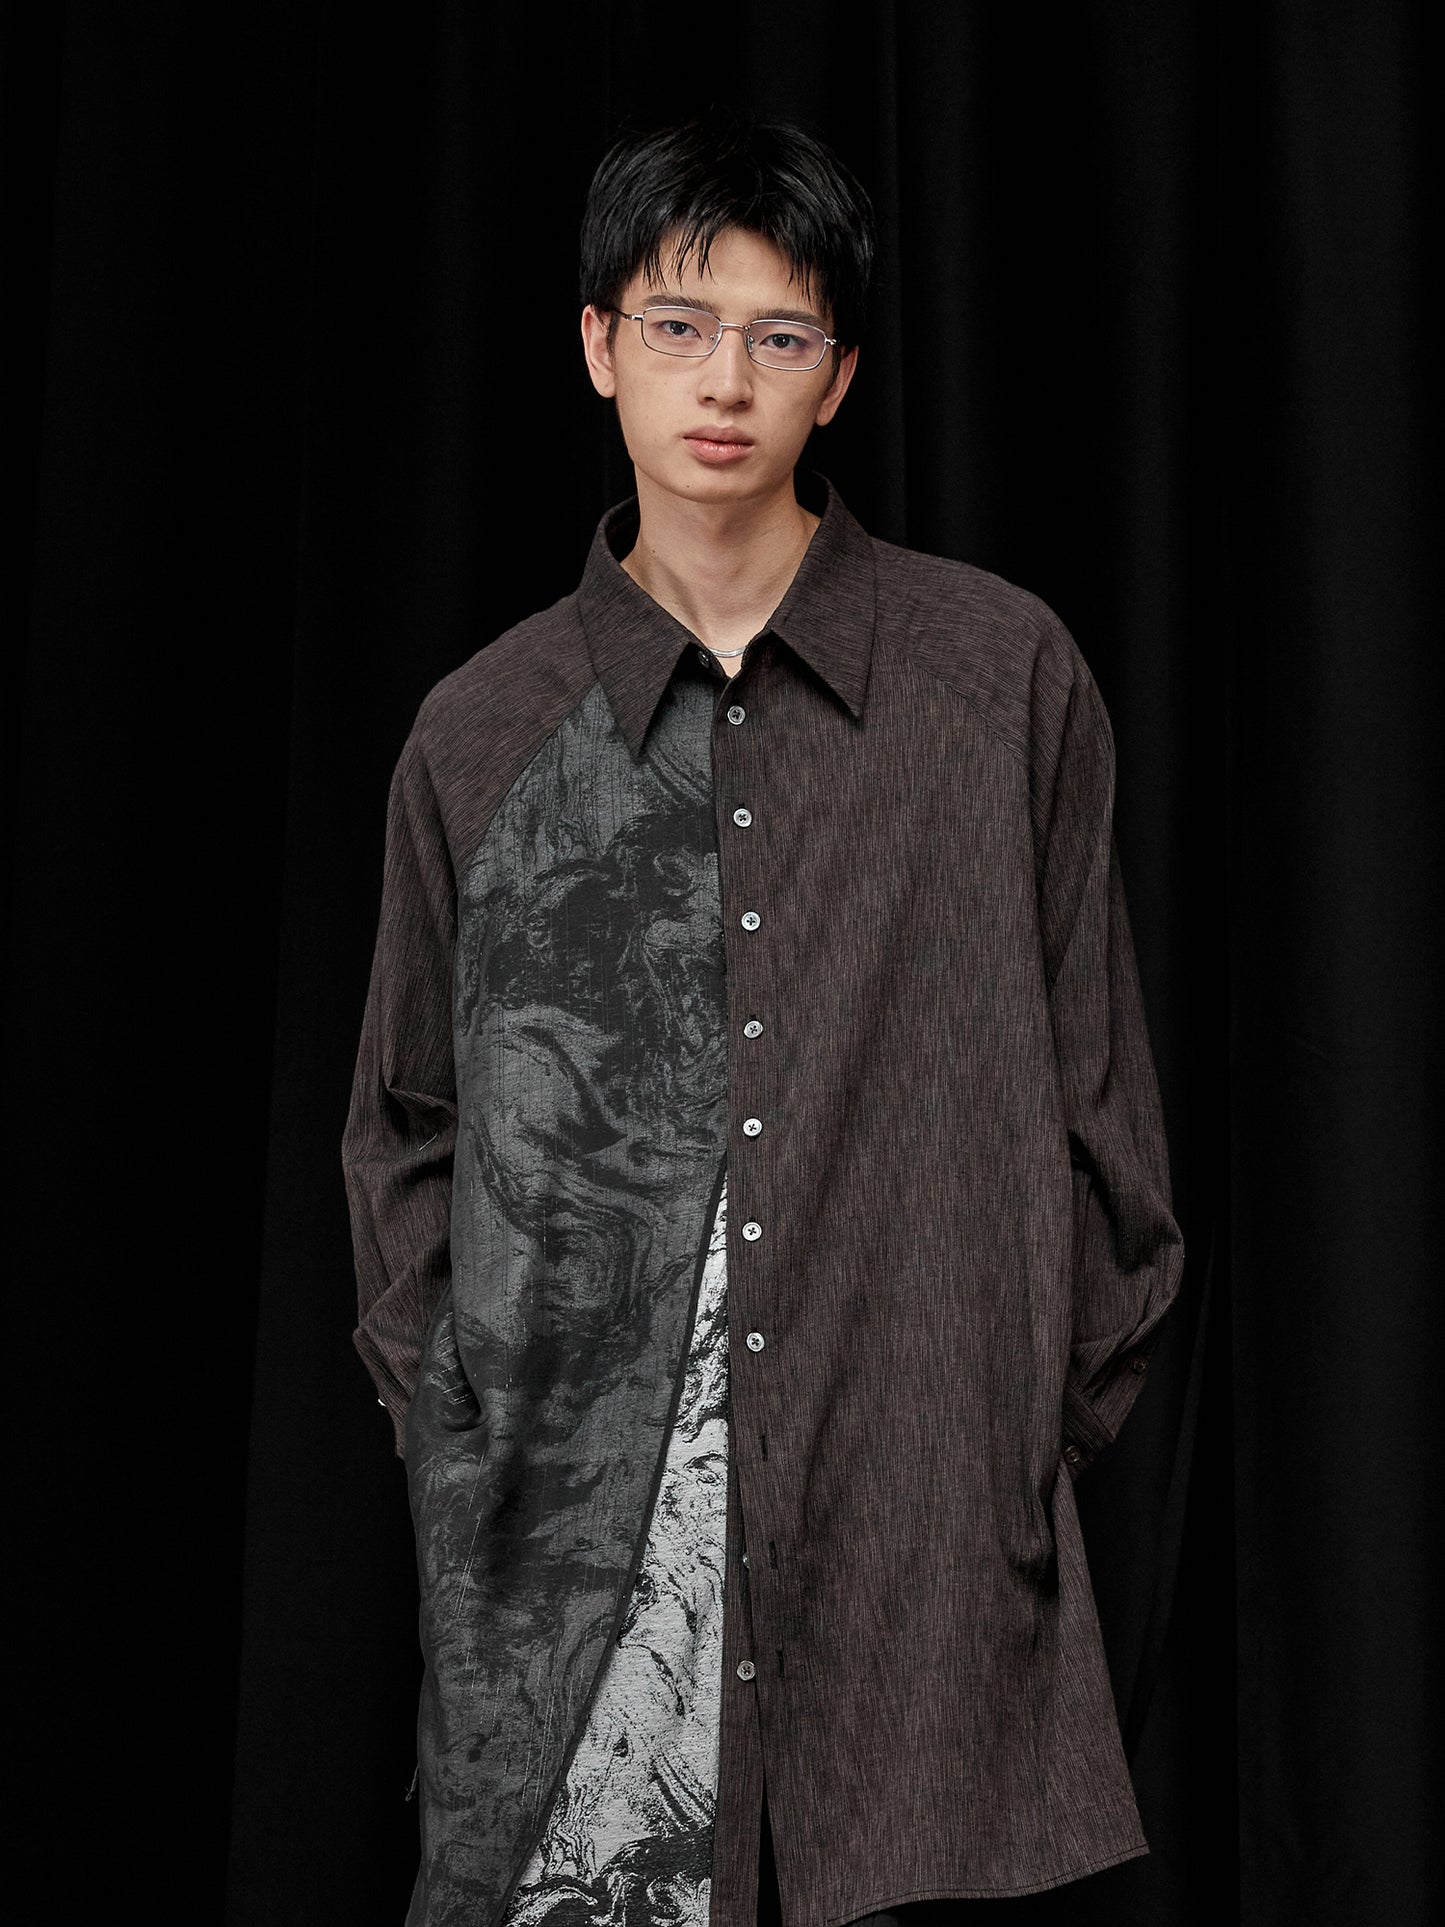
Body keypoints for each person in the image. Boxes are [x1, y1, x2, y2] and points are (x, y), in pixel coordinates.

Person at [342, 103, 1185, 1927]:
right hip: (573, 1585)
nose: (724, 381)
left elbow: (1103, 1121)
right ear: (598, 346)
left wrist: (1007, 1441)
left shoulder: (996, 679)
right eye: (678, 324)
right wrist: (469, 1442)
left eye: (778, 335)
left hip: (923, 1566)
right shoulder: (482, 734)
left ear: (840, 374)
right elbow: (402, 1136)